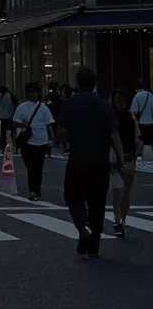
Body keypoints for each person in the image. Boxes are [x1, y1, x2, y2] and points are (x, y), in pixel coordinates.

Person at [58, 66, 123, 258]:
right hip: (100, 162)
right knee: (98, 202)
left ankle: (82, 225)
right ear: (94, 83)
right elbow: (115, 135)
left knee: (73, 196)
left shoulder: (70, 104)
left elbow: (61, 132)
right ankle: (94, 245)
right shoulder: (104, 105)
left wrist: (59, 139)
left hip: (78, 159)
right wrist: (120, 158)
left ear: (78, 83)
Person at [12, 82, 54, 201]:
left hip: (42, 140)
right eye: (30, 91)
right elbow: (15, 122)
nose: (32, 94)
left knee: (38, 167)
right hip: (28, 140)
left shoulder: (44, 108)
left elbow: (49, 125)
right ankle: (32, 190)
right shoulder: (22, 107)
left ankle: (37, 190)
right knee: (31, 167)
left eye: (35, 91)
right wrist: (25, 125)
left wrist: (52, 139)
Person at [112, 89, 143, 237]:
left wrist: (138, 148)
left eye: (123, 99)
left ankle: (121, 222)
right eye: (117, 99)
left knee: (125, 193)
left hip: (129, 158)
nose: (120, 102)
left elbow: (137, 136)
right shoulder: (108, 116)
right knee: (116, 193)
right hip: (111, 160)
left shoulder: (131, 117)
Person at [130, 80, 153, 152]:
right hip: (151, 122)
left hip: (142, 123)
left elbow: (133, 110)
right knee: (149, 142)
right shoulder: (150, 94)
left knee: (142, 142)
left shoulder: (137, 96)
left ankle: (143, 156)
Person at [0, 85, 16, 150]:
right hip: (11, 115)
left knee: (2, 132)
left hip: (1, 116)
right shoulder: (11, 95)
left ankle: (3, 147)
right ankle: (12, 144)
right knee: (11, 130)